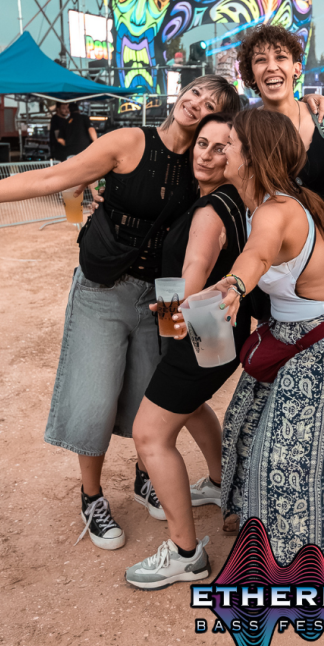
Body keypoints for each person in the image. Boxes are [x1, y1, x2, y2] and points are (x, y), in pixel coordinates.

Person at [0, 75, 241, 552]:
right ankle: (92, 496)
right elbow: (52, 178)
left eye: (211, 104)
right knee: (93, 398)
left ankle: (145, 478)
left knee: (148, 399)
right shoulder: (129, 141)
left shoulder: (205, 162)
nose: (197, 103)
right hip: (103, 288)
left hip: (158, 297)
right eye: (196, 92)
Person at [186, 108, 324, 582]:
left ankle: (308, 562)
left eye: (231, 144)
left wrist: (235, 285)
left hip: (323, 344)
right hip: (287, 335)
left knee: (288, 457)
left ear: (252, 155)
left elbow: (258, 253)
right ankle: (257, 526)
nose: (223, 151)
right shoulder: (258, 201)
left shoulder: (276, 209)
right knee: (243, 428)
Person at [124, 113, 253, 590]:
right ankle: (222, 485)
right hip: (221, 331)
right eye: (203, 143)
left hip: (200, 331)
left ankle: (185, 554)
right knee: (192, 408)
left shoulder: (210, 210)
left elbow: (197, 262)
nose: (208, 154)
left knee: (149, 435)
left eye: (222, 147)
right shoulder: (232, 199)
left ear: (238, 155)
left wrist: (180, 307)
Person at [236, 25, 324, 292]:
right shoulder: (244, 132)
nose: (271, 66)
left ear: (296, 69)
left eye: (280, 57)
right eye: (261, 60)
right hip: (281, 258)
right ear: (251, 74)